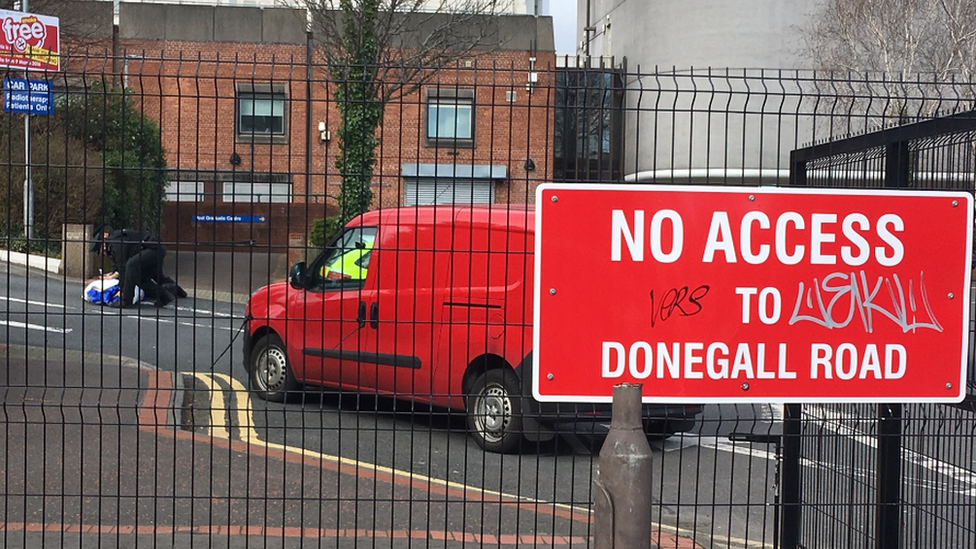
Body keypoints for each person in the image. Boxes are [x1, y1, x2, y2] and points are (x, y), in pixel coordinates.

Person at [90, 224, 177, 308]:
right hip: (155, 248)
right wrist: (113, 273)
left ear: (103, 242)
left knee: (131, 266)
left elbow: (122, 267)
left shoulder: (115, 243)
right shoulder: (114, 242)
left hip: (153, 249)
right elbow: (117, 265)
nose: (102, 253)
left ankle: (126, 301)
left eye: (100, 249)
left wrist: (122, 290)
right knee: (139, 278)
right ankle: (164, 295)